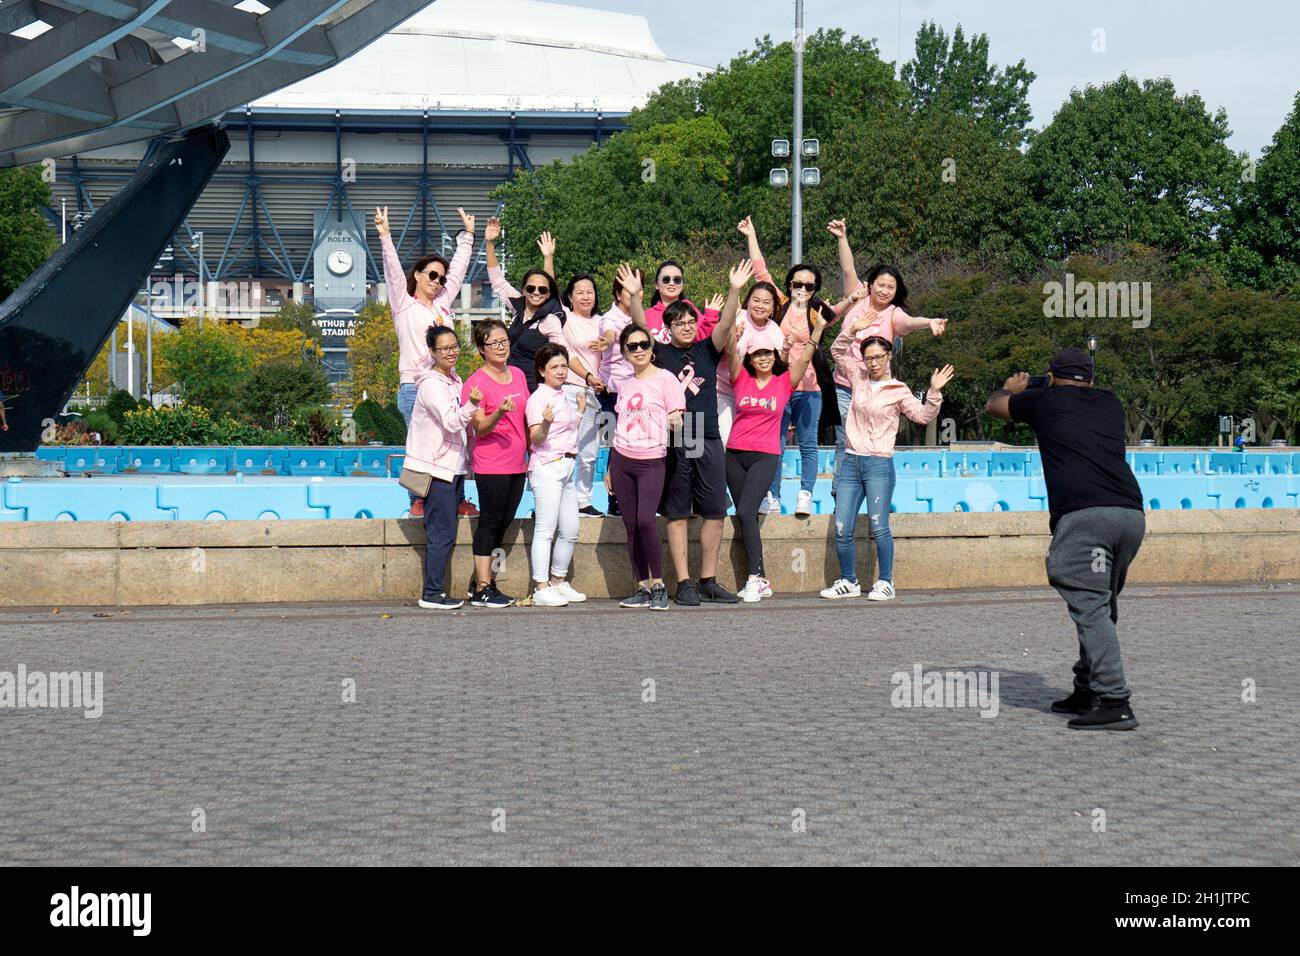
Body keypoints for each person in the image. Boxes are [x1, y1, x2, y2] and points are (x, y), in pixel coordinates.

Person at [986, 348, 1146, 731]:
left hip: (1086, 516)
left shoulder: (1044, 400)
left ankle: (1115, 700)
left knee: (1090, 605)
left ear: (1051, 376)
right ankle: (1087, 688)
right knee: (1099, 603)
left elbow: (996, 407)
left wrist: (1012, 388)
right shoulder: (1110, 403)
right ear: (1089, 378)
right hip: (1129, 514)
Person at [634, 262, 748, 606]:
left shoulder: (706, 349)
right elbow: (640, 325)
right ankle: (683, 582)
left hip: (707, 434)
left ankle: (708, 579)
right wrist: (635, 297)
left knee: (715, 510)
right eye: (678, 323)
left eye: (690, 322)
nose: (685, 326)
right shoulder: (661, 353)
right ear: (667, 328)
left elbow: (726, 322)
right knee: (677, 511)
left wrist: (734, 289)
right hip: (675, 438)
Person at [821, 331, 952, 603]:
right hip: (849, 461)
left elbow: (922, 415)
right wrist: (854, 328)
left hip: (878, 464)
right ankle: (849, 580)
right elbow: (836, 351)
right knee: (842, 526)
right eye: (868, 358)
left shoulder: (899, 390)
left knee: (879, 525)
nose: (873, 363)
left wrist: (934, 392)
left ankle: (886, 581)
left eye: (878, 357)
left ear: (889, 356)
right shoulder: (857, 377)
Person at [826, 219, 949, 494]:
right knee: (844, 436)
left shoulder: (894, 314)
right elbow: (848, 268)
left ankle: (872, 485)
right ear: (870, 285)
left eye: (890, 287)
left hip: (876, 388)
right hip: (845, 383)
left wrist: (929, 322)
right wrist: (842, 237)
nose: (884, 290)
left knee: (871, 436)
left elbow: (910, 321)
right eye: (880, 284)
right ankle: (840, 487)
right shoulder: (856, 298)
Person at [375, 204, 478, 519]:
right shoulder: (404, 306)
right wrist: (385, 236)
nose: (438, 281)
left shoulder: (443, 304)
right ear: (417, 275)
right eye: (431, 275)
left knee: (457, 438)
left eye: (440, 278)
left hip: (448, 384)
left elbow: (458, 271)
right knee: (418, 444)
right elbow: (393, 273)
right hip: (415, 385)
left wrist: (468, 238)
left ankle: (458, 498)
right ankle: (416, 500)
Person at [724, 298, 825, 602]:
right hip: (734, 454)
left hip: (765, 455)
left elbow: (806, 356)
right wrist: (732, 325)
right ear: (751, 358)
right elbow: (730, 351)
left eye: (768, 353)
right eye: (758, 354)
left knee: (744, 510)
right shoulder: (740, 378)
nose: (764, 358)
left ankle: (754, 578)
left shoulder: (783, 382)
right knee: (746, 517)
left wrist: (818, 329)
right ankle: (761, 578)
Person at [738, 215, 835, 518]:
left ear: (815, 287)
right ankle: (773, 495)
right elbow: (760, 272)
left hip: (809, 389)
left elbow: (843, 313)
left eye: (809, 285)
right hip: (777, 387)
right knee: (775, 444)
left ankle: (805, 495)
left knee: (807, 444)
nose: (802, 289)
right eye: (797, 283)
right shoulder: (778, 302)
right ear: (789, 285)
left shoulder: (820, 311)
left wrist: (854, 299)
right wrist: (751, 235)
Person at [603, 287, 686, 611]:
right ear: (624, 352)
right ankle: (641, 585)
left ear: (652, 348)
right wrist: (610, 465)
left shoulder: (666, 379)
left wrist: (675, 421)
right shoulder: (624, 385)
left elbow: (679, 419)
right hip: (623, 459)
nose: (638, 350)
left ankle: (659, 585)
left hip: (652, 460)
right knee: (630, 524)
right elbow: (617, 426)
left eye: (643, 345)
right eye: (631, 346)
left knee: (646, 521)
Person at [404, 325, 481, 610]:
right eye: (444, 349)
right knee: (440, 532)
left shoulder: (453, 380)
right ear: (432, 352)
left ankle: (435, 591)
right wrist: (472, 404)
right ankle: (432, 593)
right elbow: (451, 422)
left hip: (453, 467)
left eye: (454, 347)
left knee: (445, 530)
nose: (451, 352)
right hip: (437, 469)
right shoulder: (431, 385)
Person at [537, 234, 607, 516]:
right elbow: (549, 291)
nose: (585, 296)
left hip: (595, 394)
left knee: (589, 452)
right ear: (570, 296)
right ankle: (551, 500)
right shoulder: (564, 317)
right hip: (568, 389)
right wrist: (549, 257)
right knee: (559, 447)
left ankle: (583, 500)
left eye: (590, 291)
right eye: (579, 291)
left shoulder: (603, 322)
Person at [462, 319, 529, 608]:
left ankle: (480, 579)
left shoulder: (517, 374)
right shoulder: (475, 384)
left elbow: (526, 419)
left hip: (518, 463)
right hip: (491, 464)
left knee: (504, 522)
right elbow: (480, 428)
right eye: (494, 343)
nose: (501, 348)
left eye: (504, 341)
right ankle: (483, 588)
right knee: (489, 523)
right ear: (481, 348)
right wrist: (500, 411)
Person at [525, 343, 587, 607]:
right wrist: (546, 422)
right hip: (547, 466)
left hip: (567, 466)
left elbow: (569, 431)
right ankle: (541, 586)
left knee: (571, 528)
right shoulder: (538, 399)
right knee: (545, 529)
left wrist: (581, 412)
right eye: (554, 367)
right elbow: (536, 438)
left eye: (563, 366)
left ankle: (558, 581)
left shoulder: (564, 395)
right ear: (542, 371)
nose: (561, 371)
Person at [484, 216, 566, 392]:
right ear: (523, 290)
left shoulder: (550, 319)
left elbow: (561, 353)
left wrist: (548, 258)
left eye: (542, 290)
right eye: (531, 288)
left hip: (535, 388)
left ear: (548, 294)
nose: (536, 292)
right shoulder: (518, 307)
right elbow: (498, 281)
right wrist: (490, 244)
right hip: (509, 383)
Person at [594, 266, 647, 518]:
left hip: (639, 395)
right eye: (628, 290)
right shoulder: (610, 319)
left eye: (639, 288)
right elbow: (610, 334)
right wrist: (606, 341)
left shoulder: (640, 317)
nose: (636, 293)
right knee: (616, 447)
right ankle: (615, 503)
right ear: (617, 293)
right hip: (613, 395)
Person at [644, 260, 722, 344]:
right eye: (666, 279)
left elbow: (701, 338)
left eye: (677, 280)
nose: (671, 283)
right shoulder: (647, 315)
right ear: (656, 284)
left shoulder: (689, 308)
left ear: (682, 286)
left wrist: (710, 317)